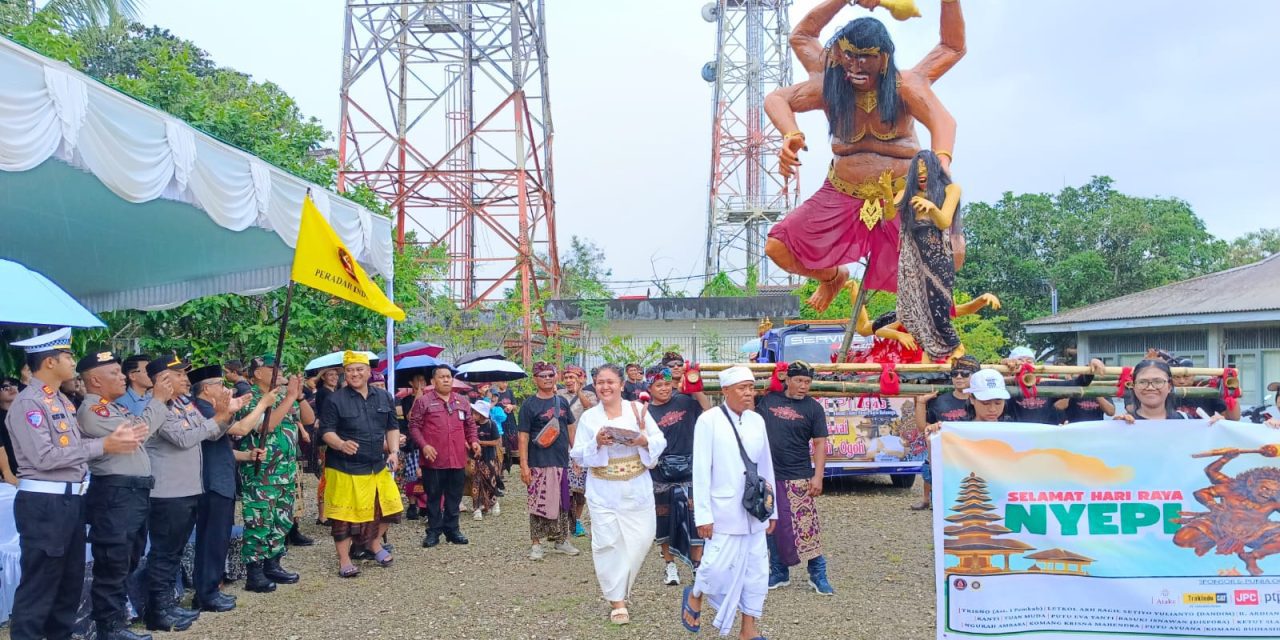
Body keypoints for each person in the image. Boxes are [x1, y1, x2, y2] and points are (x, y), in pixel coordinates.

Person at [764, 0, 965, 311]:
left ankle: (919, 319)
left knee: (952, 255)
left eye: (865, 58)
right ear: (839, 53)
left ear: (883, 58)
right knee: (778, 247)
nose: (855, 66)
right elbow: (784, 81)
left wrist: (941, 163)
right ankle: (833, 278)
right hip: (841, 193)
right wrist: (791, 133)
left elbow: (944, 114)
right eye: (849, 56)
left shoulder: (906, 86)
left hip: (902, 194)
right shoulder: (828, 83)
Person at [4, 329, 147, 640]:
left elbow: (74, 446)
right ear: (50, 362)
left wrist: (104, 444)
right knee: (40, 587)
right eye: (67, 356)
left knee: (69, 586)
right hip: (45, 505)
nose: (73, 362)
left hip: (71, 501)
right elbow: (44, 457)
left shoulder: (60, 400)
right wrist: (103, 445)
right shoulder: (30, 403)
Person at [143, 354, 248, 632]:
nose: (185, 379)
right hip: (168, 491)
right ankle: (158, 611)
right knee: (164, 554)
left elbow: (209, 433)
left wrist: (225, 416)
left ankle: (168, 605)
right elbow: (185, 438)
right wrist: (221, 416)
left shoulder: (181, 403)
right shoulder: (156, 407)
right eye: (178, 375)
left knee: (174, 553)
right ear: (162, 380)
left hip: (188, 488)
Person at [77, 350, 171, 640]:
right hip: (115, 493)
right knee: (113, 561)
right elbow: (138, 434)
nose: (122, 378)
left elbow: (141, 427)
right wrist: (158, 400)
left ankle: (118, 622)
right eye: (115, 373)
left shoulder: (115, 407)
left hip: (132, 493)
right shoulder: (93, 411)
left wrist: (156, 404)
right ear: (95, 380)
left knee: (129, 557)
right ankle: (110, 628)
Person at [681, 366, 776, 639]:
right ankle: (696, 593)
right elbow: (701, 470)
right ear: (725, 391)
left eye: (751, 387)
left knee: (756, 572)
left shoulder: (757, 421)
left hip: (755, 510)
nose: (748, 393)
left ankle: (749, 630)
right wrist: (703, 515)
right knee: (716, 567)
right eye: (741, 388)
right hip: (723, 510)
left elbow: (766, 466)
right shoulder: (708, 420)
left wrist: (773, 510)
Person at [570, 364, 666, 625]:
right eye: (600, 382)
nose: (605, 387)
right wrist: (597, 443)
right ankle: (617, 601)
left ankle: (622, 585)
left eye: (610, 381)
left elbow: (659, 440)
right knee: (607, 543)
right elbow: (578, 453)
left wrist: (643, 441)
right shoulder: (590, 418)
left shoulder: (638, 410)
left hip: (637, 486)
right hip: (604, 490)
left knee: (642, 538)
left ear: (622, 384)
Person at [190, 365, 276, 613]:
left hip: (221, 479)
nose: (225, 388)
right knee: (212, 539)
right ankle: (206, 593)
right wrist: (263, 404)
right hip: (212, 482)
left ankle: (210, 589)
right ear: (206, 389)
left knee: (219, 538)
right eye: (219, 384)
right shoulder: (203, 408)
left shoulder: (209, 408)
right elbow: (240, 429)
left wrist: (246, 455)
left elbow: (220, 446)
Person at [317, 351, 404, 577]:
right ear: (344, 373)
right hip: (344, 467)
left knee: (389, 508)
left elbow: (392, 427)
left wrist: (394, 452)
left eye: (359, 369)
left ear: (368, 372)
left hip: (377, 465)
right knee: (343, 516)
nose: (354, 374)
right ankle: (344, 560)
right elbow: (325, 431)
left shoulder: (384, 397)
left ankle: (373, 543)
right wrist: (340, 444)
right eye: (349, 370)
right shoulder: (334, 399)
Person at [236, 355, 313, 592]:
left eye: (281, 367)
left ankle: (273, 563)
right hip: (262, 474)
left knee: (282, 520)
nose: (279, 371)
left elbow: (309, 419)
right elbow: (265, 426)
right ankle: (254, 571)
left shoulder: (281, 397)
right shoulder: (250, 398)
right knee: (260, 521)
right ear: (258, 373)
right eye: (273, 368)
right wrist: (289, 397)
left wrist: (298, 396)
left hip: (285, 472)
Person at [757, 361, 834, 595]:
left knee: (806, 525)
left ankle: (818, 573)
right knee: (772, 525)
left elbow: (819, 444)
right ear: (787, 379)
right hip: (768, 475)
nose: (803, 386)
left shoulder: (813, 408)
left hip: (798, 474)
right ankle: (779, 571)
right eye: (799, 381)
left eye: (807, 382)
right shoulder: (767, 401)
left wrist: (818, 476)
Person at [646, 365, 707, 587]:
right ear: (649, 388)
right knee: (664, 519)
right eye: (658, 385)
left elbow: (708, 410)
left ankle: (697, 566)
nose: (664, 389)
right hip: (661, 474)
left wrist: (695, 386)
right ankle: (670, 565)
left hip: (690, 470)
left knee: (695, 519)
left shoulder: (684, 401)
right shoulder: (645, 413)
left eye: (667, 384)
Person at [408, 365, 480, 548]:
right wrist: (424, 445)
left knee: (454, 496)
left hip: (457, 458)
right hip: (433, 459)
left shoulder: (462, 401)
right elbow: (414, 427)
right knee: (433, 497)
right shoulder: (424, 401)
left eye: (449, 376)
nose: (446, 380)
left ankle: (452, 530)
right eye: (442, 377)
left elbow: (470, 425)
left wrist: (474, 441)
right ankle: (433, 532)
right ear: (433, 381)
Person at [517, 362, 580, 560]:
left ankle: (562, 540)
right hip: (538, 461)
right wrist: (524, 465)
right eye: (542, 375)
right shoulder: (529, 405)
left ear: (555, 377)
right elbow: (523, 436)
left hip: (561, 461)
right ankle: (536, 543)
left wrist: (576, 455)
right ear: (535, 379)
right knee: (538, 501)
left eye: (550, 375)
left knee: (564, 501)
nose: (547, 378)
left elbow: (570, 428)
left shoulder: (562, 402)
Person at [911, 355, 979, 510]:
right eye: (955, 373)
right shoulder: (939, 400)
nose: (959, 377)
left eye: (965, 373)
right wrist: (921, 403)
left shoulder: (981, 400)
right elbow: (923, 428)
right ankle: (927, 499)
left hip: (971, 455)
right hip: (944, 455)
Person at [560, 364, 596, 537]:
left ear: (581, 379)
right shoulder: (559, 395)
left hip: (581, 447)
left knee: (580, 488)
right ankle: (563, 521)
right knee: (564, 488)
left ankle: (577, 521)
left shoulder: (590, 395)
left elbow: (590, 408)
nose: (568, 381)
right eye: (566, 377)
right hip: (562, 446)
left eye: (572, 377)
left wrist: (579, 391)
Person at [1170, 356, 1241, 421]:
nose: (1181, 381)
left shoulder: (1207, 391)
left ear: (1193, 375)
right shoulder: (1166, 394)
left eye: (1186, 376)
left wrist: (1231, 393)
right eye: (1177, 377)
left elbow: (1234, 418)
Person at [1119, 359, 1189, 422]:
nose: (1150, 387)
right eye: (1143, 382)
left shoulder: (1186, 420)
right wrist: (1118, 426)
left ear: (1169, 387)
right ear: (1134, 387)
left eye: (1158, 381)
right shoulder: (1123, 423)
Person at [399, 373, 429, 520]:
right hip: (412, 442)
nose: (422, 382)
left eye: (423, 380)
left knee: (427, 474)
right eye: (418, 380)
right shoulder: (406, 400)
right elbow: (410, 417)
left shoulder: (430, 398)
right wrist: (418, 396)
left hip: (427, 440)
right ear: (411, 383)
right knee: (412, 475)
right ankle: (412, 505)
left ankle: (424, 504)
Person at [471, 400, 502, 521]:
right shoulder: (472, 425)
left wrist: (481, 443)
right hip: (475, 459)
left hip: (489, 458)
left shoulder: (491, 424)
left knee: (490, 481)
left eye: (476, 413)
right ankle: (477, 507)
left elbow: (496, 441)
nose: (473, 415)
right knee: (476, 483)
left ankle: (494, 503)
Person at [0, 376, 20, 485]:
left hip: (32, 471)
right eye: (5, 387)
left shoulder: (26, 413)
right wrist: (6, 473)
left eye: (14, 384)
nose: (12, 388)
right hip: (10, 478)